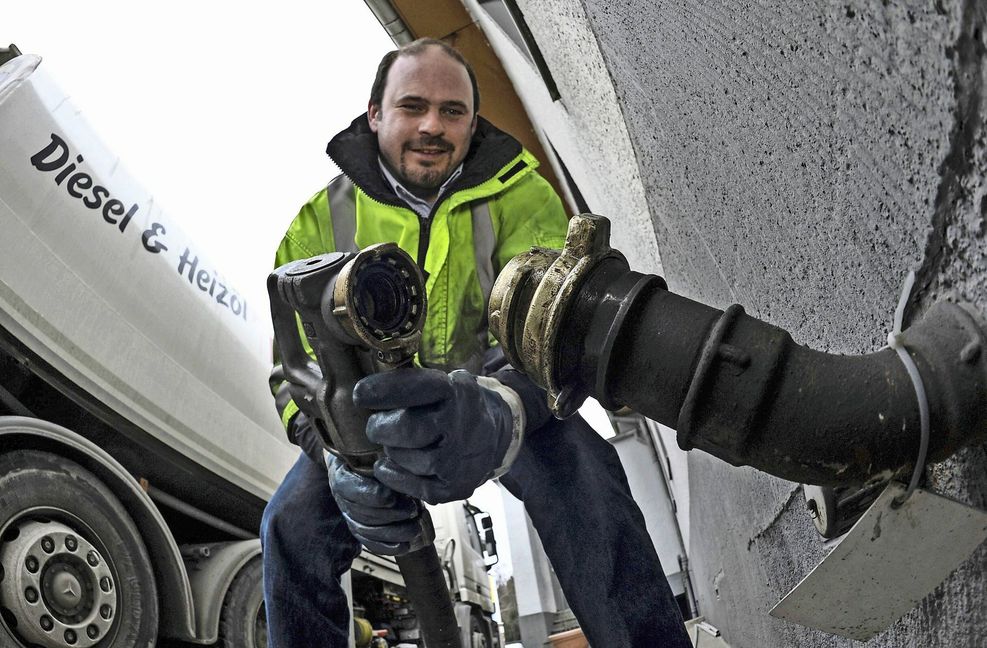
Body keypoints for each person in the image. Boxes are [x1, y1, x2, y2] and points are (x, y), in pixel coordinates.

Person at [260, 38, 691, 648]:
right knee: (290, 527)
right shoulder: (315, 222)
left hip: (499, 401)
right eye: (412, 106)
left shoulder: (524, 197)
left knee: (588, 480)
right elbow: (290, 368)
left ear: (472, 121)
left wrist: (505, 409)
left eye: (453, 110)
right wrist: (332, 450)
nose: (433, 125)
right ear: (375, 114)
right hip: (368, 424)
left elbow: (560, 333)